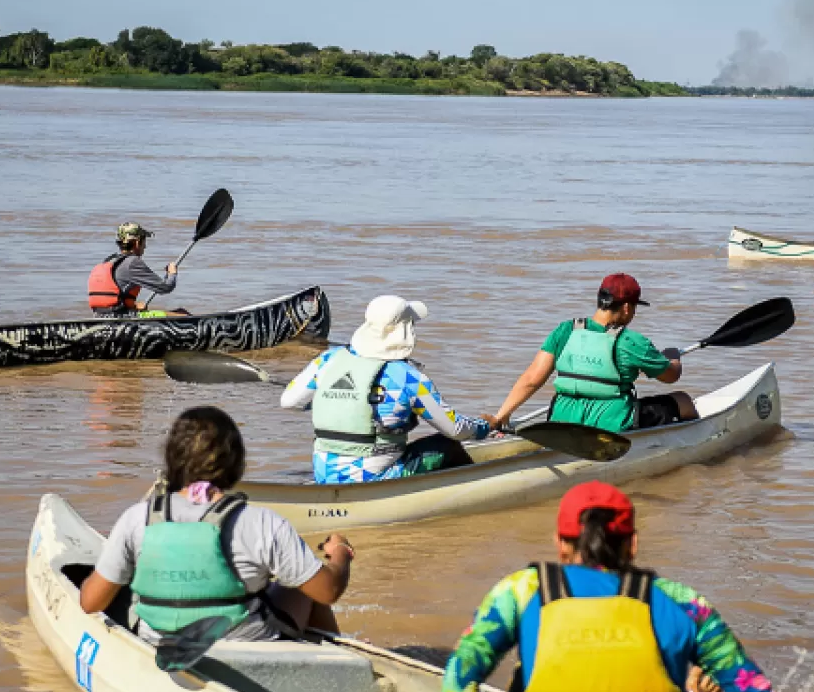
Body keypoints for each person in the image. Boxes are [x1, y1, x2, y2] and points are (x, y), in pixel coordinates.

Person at [430, 481, 782, 692]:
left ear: (560, 545)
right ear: (633, 544)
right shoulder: (683, 602)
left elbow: (459, 678)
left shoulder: (522, 591)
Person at [79, 406, 353, 651]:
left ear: (172, 460)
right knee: (301, 584)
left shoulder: (136, 519)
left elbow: (90, 603)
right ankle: (336, 659)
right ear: (237, 464)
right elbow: (328, 591)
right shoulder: (264, 522)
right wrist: (339, 552)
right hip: (248, 646)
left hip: (161, 645)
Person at [280, 295, 491, 484]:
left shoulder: (329, 359)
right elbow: (455, 429)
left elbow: (289, 402)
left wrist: (336, 398)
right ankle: (474, 491)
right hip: (374, 478)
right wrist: (485, 428)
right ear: (406, 331)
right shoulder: (409, 377)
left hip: (324, 474)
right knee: (446, 445)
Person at [483, 274, 698, 436]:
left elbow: (531, 379)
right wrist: (673, 358)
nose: (633, 313)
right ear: (625, 308)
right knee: (683, 400)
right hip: (611, 425)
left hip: (561, 420)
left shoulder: (565, 330)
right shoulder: (632, 342)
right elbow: (670, 376)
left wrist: (501, 416)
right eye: (634, 308)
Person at [87, 222, 189, 317]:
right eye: (144, 241)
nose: (145, 246)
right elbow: (166, 288)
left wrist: (134, 305)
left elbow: (118, 294)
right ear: (137, 242)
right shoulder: (132, 263)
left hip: (100, 317)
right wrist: (172, 273)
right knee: (182, 314)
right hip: (121, 318)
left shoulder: (108, 262)